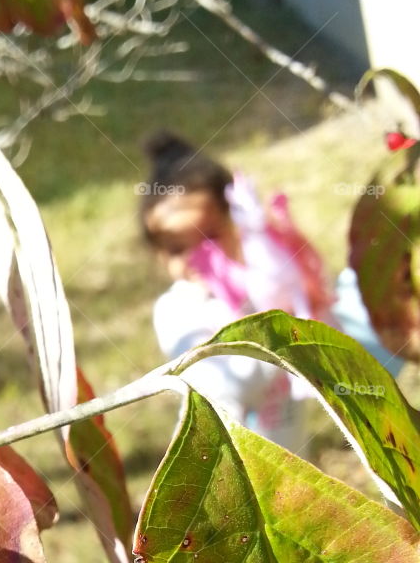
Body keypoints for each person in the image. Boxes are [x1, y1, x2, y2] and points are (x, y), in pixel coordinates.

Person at [139, 131, 404, 455]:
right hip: (229, 465)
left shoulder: (260, 282)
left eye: (209, 236)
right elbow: (219, 386)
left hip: (292, 461)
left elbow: (344, 335)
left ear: (234, 222)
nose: (198, 256)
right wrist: (282, 331)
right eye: (178, 249)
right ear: (158, 255)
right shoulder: (178, 311)